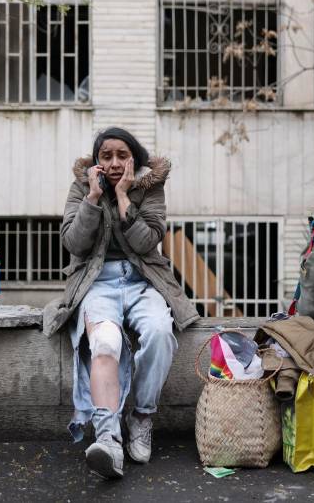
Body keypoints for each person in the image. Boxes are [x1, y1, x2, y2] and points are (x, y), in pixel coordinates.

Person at [43, 127, 199, 479]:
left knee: (160, 332)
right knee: (105, 342)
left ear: (134, 159)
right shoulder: (83, 187)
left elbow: (147, 242)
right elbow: (74, 244)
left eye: (122, 155)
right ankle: (108, 439)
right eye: (106, 156)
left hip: (143, 281)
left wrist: (126, 198)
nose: (114, 163)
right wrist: (93, 200)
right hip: (97, 283)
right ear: (97, 161)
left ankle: (141, 417)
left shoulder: (150, 187)